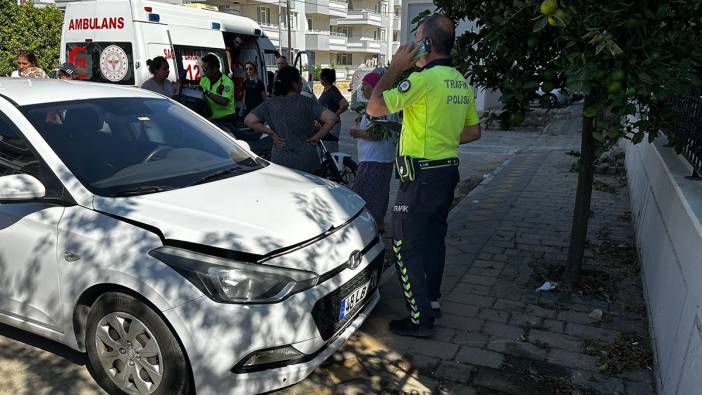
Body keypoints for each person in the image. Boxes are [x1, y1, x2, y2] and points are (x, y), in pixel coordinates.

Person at [367, 14, 482, 338]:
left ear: (427, 44)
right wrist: (441, 137)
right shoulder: (459, 80)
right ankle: (431, 301)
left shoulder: (420, 81)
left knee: (404, 244)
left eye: (416, 39)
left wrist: (394, 68)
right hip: (446, 173)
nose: (412, 46)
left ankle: (420, 319)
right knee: (433, 239)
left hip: (421, 178)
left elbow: (374, 107)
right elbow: (473, 132)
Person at [245, 66, 338, 174]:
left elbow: (248, 120)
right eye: (300, 81)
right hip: (307, 161)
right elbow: (332, 118)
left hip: (281, 162)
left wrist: (270, 132)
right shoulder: (307, 102)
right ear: (294, 84)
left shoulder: (270, 104)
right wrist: (317, 137)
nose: (302, 84)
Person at [349, 71, 399, 233]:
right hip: (381, 157)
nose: (362, 89)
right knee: (379, 192)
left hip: (374, 158)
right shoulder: (384, 104)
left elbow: (378, 134)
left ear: (376, 87)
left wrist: (358, 133)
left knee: (365, 192)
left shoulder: (380, 106)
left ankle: (371, 225)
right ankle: (378, 222)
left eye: (366, 86)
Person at [318, 68, 349, 153]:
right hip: (325, 125)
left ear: (324, 79)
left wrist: (335, 115)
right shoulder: (326, 90)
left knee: (331, 149)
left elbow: (345, 104)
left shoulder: (333, 91)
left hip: (332, 126)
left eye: (320, 77)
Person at [199, 54, 236, 124]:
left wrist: (206, 92)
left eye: (205, 69)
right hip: (211, 119)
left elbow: (224, 101)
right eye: (202, 68)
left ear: (215, 69)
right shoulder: (203, 80)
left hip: (226, 119)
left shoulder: (227, 82)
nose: (203, 71)